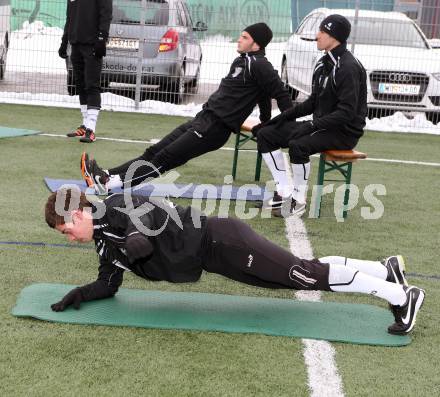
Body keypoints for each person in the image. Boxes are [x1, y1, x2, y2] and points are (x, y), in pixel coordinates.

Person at [45, 188, 425, 335]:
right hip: (218, 260)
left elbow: (155, 211)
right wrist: (80, 294)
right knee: (295, 273)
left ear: (78, 214)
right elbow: (109, 284)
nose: (69, 237)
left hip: (222, 239)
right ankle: (383, 269)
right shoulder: (104, 246)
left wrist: (134, 236)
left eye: (66, 230)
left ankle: (398, 295)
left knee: (304, 275)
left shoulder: (118, 205)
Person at [79, 23, 293, 194]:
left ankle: (109, 185)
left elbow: (281, 94)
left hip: (214, 130)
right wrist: (265, 119)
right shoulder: (242, 61)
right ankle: (105, 175)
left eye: (245, 37)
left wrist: (281, 125)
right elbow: (264, 96)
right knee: (153, 152)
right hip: (203, 119)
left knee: (163, 160)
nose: (239, 39)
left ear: (256, 44)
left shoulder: (261, 65)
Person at [253, 14, 367, 217]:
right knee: (266, 134)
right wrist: (280, 118)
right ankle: (284, 192)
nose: (317, 35)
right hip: (322, 126)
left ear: (335, 36)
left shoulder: (348, 67)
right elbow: (313, 102)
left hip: (344, 132)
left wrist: (312, 125)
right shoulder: (323, 63)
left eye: (322, 31)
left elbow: (346, 113)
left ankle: (298, 201)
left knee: (299, 145)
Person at [58, 0, 113, 143]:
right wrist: (64, 42)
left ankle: (91, 129)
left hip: (92, 45)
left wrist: (102, 38)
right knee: (80, 85)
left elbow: (106, 13)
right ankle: (85, 124)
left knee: (91, 85)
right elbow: (70, 18)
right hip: (76, 43)